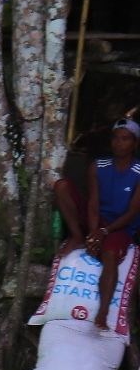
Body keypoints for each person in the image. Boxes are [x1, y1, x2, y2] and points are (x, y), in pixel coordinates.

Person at [54, 113, 140, 328]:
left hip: (120, 226)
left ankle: (102, 313)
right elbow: (92, 202)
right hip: (97, 221)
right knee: (62, 186)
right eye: (116, 138)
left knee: (110, 256)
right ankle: (76, 236)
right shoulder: (99, 165)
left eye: (125, 139)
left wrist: (104, 232)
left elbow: (132, 211)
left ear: (135, 143)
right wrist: (93, 233)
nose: (119, 144)